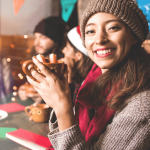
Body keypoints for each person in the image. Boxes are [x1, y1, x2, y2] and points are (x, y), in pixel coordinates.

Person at [27, 0, 150, 149]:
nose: (99, 40)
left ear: (134, 36)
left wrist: (62, 107)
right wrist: (58, 97)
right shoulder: (94, 80)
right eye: (91, 31)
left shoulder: (143, 104)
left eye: (113, 28)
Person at [18, 16, 66, 103]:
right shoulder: (32, 61)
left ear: (56, 40)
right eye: (36, 37)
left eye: (42, 37)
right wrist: (24, 92)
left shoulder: (62, 66)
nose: (37, 42)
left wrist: (45, 98)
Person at [61, 25, 93, 105]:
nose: (63, 50)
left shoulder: (88, 81)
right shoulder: (76, 73)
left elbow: (69, 106)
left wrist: (68, 72)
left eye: (67, 47)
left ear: (78, 55)